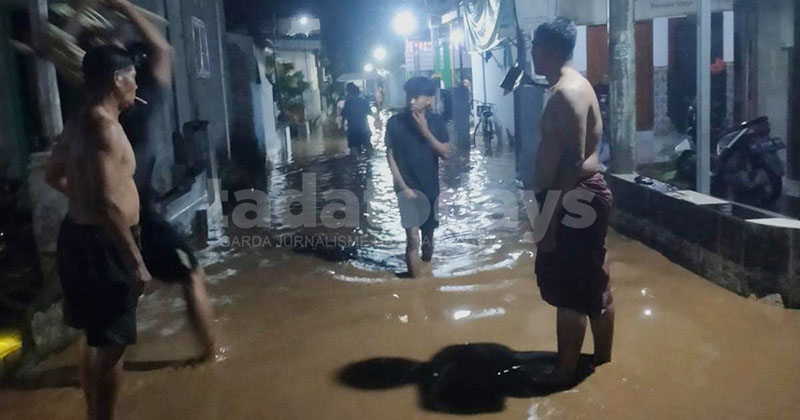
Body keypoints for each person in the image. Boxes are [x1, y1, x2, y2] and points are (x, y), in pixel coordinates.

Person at [45, 43, 146, 420]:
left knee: (99, 339)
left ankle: (96, 411)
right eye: (133, 78)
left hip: (79, 236)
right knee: (113, 346)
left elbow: (52, 175)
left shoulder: (79, 121)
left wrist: (85, 198)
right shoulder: (104, 129)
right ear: (117, 81)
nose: (137, 85)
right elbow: (106, 203)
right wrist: (135, 261)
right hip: (105, 246)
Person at [116, 0, 216, 361]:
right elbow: (163, 49)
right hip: (140, 215)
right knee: (191, 273)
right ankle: (209, 356)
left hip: (106, 216)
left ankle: (93, 376)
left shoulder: (94, 108)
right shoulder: (142, 104)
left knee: (116, 298)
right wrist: (125, 7)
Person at [530, 17, 614, 386]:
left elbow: (570, 166)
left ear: (544, 51)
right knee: (594, 280)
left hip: (571, 197)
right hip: (583, 193)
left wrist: (546, 221)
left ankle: (564, 375)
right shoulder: (579, 84)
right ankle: (604, 362)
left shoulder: (565, 93)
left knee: (570, 292)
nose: (531, 56)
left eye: (533, 49)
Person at [385, 77, 451, 277]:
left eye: (416, 97)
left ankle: (427, 274)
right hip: (407, 190)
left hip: (430, 189)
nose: (410, 101)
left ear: (429, 100)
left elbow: (446, 153)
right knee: (412, 238)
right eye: (408, 96)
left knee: (427, 239)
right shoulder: (395, 123)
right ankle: (416, 286)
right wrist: (402, 188)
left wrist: (425, 131)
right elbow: (390, 157)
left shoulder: (437, 122)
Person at [342, 82, 376, 155]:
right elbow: (370, 113)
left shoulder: (348, 103)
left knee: (354, 148)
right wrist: (377, 119)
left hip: (352, 130)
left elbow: (344, 116)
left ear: (348, 91)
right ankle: (368, 163)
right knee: (368, 148)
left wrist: (342, 127)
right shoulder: (363, 101)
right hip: (364, 128)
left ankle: (356, 165)